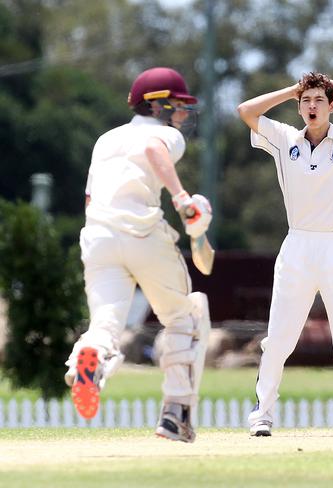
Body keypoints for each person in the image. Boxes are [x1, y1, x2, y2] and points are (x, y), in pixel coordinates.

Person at [237, 72, 333, 436]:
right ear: (298, 105)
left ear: (332, 105)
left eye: (319, 101)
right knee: (279, 337)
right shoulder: (283, 139)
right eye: (306, 101)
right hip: (298, 246)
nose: (312, 107)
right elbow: (246, 110)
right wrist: (294, 90)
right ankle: (262, 415)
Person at [64, 67, 212, 442]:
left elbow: (90, 195)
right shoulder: (164, 135)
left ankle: (92, 361)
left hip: (97, 236)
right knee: (185, 316)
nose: (181, 115)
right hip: (142, 233)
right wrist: (182, 200)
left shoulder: (105, 139)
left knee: (105, 325)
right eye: (177, 106)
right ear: (158, 105)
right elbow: (152, 149)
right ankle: (175, 414)